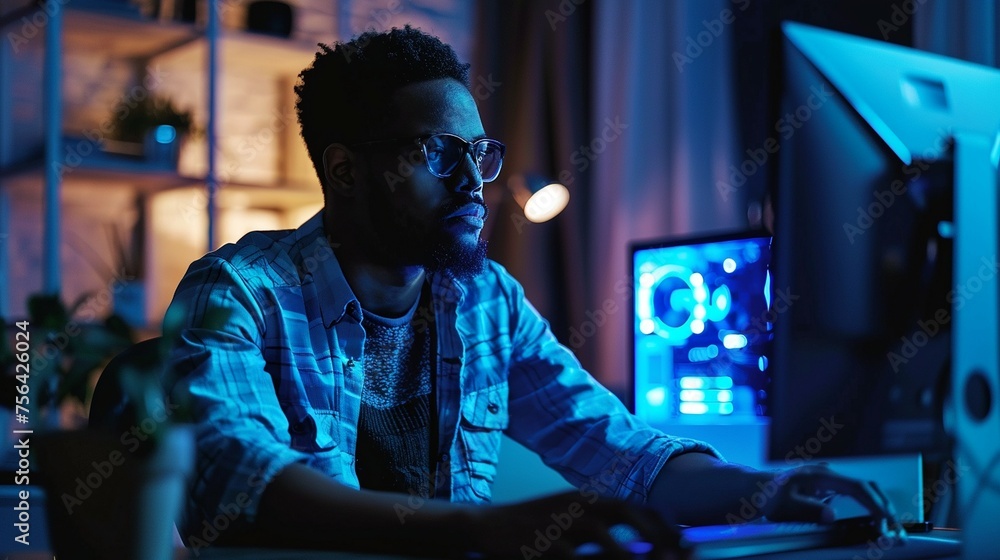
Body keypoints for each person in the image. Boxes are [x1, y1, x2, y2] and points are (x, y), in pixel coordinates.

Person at [165, 25, 902, 558]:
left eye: (479, 154)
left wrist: (771, 490)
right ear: (348, 171)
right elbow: (243, 480)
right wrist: (483, 531)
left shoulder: (486, 301)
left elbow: (623, 453)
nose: (471, 183)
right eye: (437, 154)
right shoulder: (238, 293)